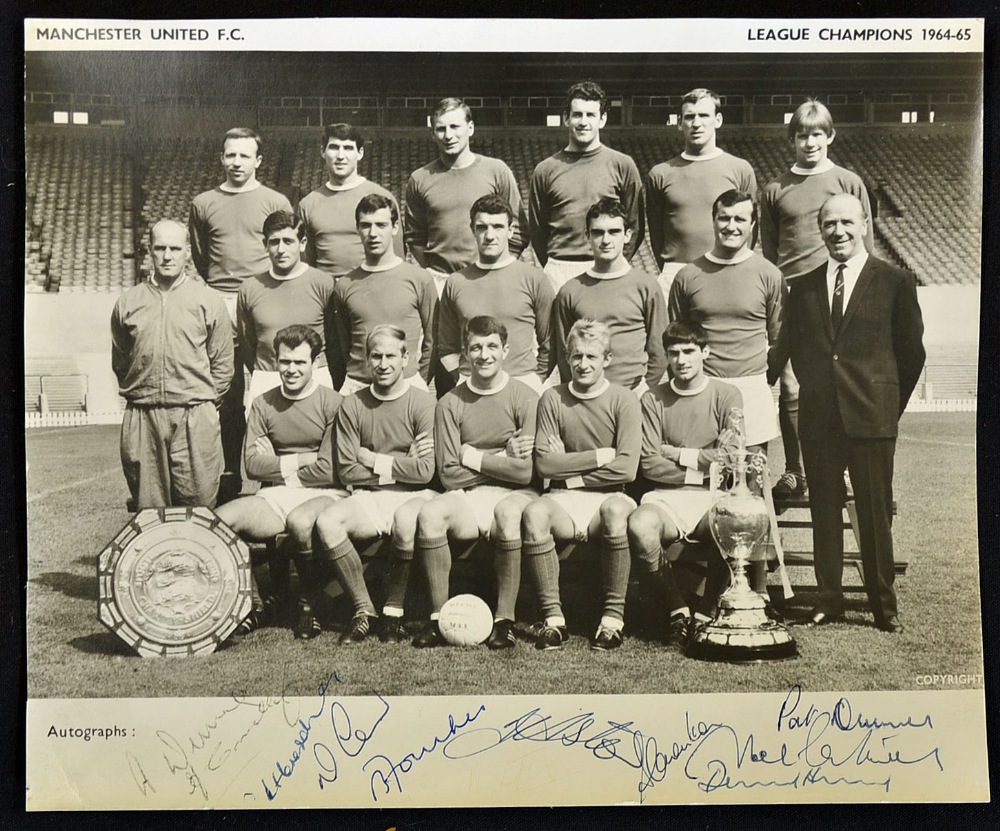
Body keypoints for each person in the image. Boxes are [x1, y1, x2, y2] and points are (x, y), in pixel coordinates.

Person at [768, 194, 925, 633]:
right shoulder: (804, 284)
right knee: (824, 513)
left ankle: (883, 606)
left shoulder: (894, 280)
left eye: (846, 222)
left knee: (874, 513)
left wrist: (887, 406)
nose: (838, 231)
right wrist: (820, 391)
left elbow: (911, 353)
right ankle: (829, 600)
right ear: (820, 230)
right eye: (829, 223)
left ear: (864, 225)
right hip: (820, 421)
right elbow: (798, 350)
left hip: (872, 419)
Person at [760, 99, 875, 501]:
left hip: (836, 296)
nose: (810, 142)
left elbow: (866, 247)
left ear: (830, 136)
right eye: (802, 135)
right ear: (792, 139)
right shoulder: (775, 189)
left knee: (835, 386)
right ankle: (794, 471)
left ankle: (838, 470)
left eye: (817, 134)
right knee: (791, 387)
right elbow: (771, 255)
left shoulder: (848, 181)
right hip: (793, 298)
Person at [411, 317, 540, 649]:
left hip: (516, 494)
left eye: (492, 346)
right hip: (467, 495)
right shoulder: (450, 402)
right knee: (430, 515)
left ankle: (505, 620)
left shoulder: (526, 396)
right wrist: (501, 458)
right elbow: (449, 474)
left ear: (506, 350)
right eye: (476, 348)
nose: (484, 355)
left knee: (510, 515)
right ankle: (438, 617)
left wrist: (470, 455)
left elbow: (525, 473)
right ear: (465, 354)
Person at [215, 325, 347, 640]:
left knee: (300, 523)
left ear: (315, 363)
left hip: (327, 493)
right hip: (278, 494)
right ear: (276, 361)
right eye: (285, 361)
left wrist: (277, 462)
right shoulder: (262, 403)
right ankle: (254, 604)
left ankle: (308, 605)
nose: (291, 369)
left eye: (299, 362)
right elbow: (252, 466)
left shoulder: (334, 403)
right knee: (220, 520)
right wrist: (304, 459)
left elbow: (329, 469)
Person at [311, 326, 438, 643]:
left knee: (407, 520)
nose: (383, 364)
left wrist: (373, 459)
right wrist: (399, 464)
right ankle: (364, 610)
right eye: (376, 356)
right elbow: (347, 472)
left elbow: (424, 473)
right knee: (328, 521)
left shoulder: (423, 403)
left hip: (415, 495)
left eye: (391, 356)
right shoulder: (353, 405)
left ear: (405, 358)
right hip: (369, 497)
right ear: (367, 360)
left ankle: (393, 613)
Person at [522, 319, 641, 651]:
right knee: (534, 513)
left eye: (592, 356)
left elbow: (628, 468)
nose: (583, 364)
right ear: (567, 357)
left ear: (608, 359)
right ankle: (553, 621)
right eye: (576, 357)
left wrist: (570, 468)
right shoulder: (552, 398)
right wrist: (602, 455)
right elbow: (545, 465)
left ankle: (612, 621)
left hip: (610, 496)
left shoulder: (624, 399)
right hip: (562, 498)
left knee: (617, 511)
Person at [189, 127, 292, 502]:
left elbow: (285, 248)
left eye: (244, 156)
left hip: (266, 297)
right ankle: (230, 474)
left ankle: (279, 475)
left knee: (275, 383)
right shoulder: (203, 203)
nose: (236, 162)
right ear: (221, 157)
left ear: (258, 161)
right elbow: (202, 257)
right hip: (221, 300)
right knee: (227, 394)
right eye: (230, 155)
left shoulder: (275, 200)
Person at [627, 320, 742, 649]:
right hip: (665, 497)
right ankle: (677, 609)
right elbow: (649, 464)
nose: (682, 360)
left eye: (689, 351)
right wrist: (706, 462)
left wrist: (677, 453)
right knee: (639, 523)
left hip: (712, 496)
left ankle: (707, 611)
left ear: (705, 352)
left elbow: (732, 457)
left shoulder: (726, 394)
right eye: (673, 353)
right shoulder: (652, 399)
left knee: (732, 518)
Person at [112, 219, 233, 509]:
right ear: (149, 252)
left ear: (188, 252)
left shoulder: (208, 301)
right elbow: (121, 361)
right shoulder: (128, 302)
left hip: (194, 414)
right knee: (151, 509)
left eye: (175, 249)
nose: (167, 256)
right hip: (144, 414)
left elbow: (223, 364)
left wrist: (199, 401)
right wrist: (146, 392)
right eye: (160, 248)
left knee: (199, 505)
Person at [669, 190, 782, 450]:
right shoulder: (688, 276)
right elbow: (676, 335)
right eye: (724, 218)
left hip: (751, 387)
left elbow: (779, 341)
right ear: (713, 221)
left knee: (751, 477)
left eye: (740, 220)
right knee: (702, 476)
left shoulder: (769, 274)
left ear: (752, 224)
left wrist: (759, 378)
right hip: (704, 385)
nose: (731, 226)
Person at [528, 81, 644, 294]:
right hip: (560, 270)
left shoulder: (623, 165)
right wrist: (555, 264)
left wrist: (613, 262)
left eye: (591, 115)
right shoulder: (545, 170)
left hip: (606, 266)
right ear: (566, 118)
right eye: (577, 115)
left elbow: (635, 225)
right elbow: (537, 230)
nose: (583, 122)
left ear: (603, 119)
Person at [404, 97, 525, 298]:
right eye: (441, 129)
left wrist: (498, 266)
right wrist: (433, 271)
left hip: (489, 277)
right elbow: (415, 236)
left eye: (455, 126)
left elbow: (519, 230)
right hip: (440, 280)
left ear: (470, 128)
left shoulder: (497, 171)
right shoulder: (420, 179)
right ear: (432, 134)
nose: (448, 135)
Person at [436, 194, 554, 397]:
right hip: (472, 387)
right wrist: (466, 378)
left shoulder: (535, 279)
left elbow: (551, 342)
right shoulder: (456, 282)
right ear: (473, 230)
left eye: (498, 227)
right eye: (482, 227)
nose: (490, 236)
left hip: (522, 384)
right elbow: (446, 346)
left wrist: (536, 380)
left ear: (511, 231)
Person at [645, 88, 757, 299]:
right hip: (675, 272)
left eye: (704, 115)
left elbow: (751, 228)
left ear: (718, 119)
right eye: (689, 117)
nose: (696, 123)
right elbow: (656, 232)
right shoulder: (660, 174)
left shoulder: (740, 169)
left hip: (725, 268)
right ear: (679, 123)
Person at [552, 198, 667, 397]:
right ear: (587, 236)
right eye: (598, 232)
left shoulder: (647, 286)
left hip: (633, 396)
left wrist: (645, 389)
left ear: (627, 235)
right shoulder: (569, 291)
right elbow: (564, 353)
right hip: (586, 397)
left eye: (614, 232)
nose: (606, 240)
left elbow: (660, 348)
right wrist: (579, 389)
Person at [328, 193, 436, 396]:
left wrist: (417, 377)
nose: (373, 233)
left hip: (406, 385)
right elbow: (343, 347)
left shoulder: (420, 279)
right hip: (357, 387)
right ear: (358, 229)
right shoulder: (344, 285)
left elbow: (433, 340)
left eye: (381, 225)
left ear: (395, 228)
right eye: (366, 225)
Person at [237, 211, 336, 405]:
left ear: (303, 243)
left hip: (315, 377)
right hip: (268, 378)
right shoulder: (250, 288)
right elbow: (248, 345)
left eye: (288, 241)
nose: (281, 249)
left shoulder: (323, 283)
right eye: (274, 242)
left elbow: (334, 343)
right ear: (265, 244)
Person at [297, 123, 403, 279]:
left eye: (348, 148)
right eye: (334, 147)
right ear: (322, 151)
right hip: (326, 295)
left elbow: (397, 256)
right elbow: (307, 263)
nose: (340, 156)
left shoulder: (382, 197)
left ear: (360, 153)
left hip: (370, 290)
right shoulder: (308, 204)